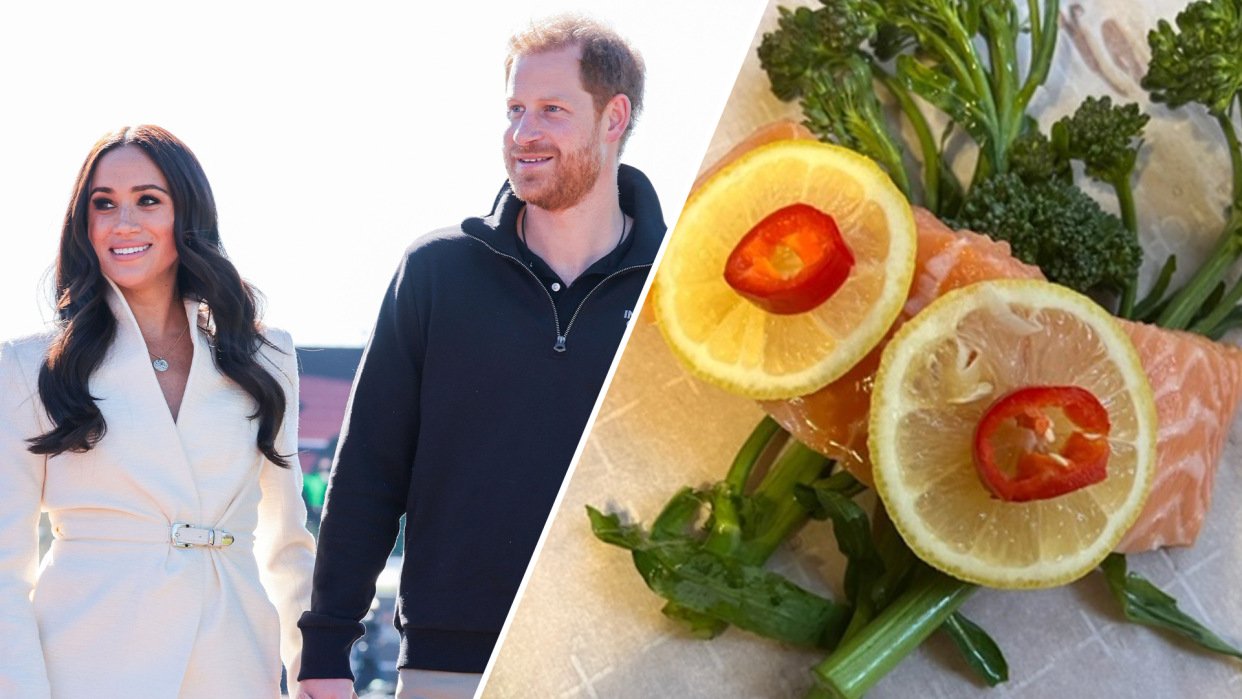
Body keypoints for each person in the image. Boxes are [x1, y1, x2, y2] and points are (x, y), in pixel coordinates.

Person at [296, 14, 665, 699]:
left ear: (613, 118)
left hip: (627, 660)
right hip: (450, 665)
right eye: (515, 110)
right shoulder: (437, 274)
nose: (524, 134)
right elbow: (370, 470)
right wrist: (325, 646)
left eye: (551, 110)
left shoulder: (675, 289)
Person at [0, 125, 316, 698]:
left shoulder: (267, 357)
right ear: (84, 224)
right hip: (86, 667)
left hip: (232, 663)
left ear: (187, 214)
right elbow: (2, 571)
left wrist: (313, 671)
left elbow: (287, 544)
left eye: (148, 200)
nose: (124, 222)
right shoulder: (27, 365)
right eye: (104, 204)